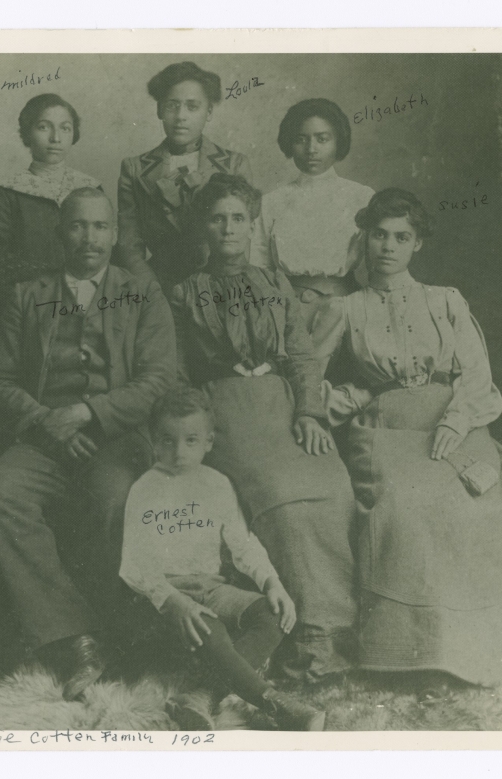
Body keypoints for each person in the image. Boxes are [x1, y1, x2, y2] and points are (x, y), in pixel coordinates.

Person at [312, 188, 502, 697]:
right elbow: (306, 377)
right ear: (364, 238)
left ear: (417, 244)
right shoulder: (346, 309)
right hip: (387, 431)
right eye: (379, 235)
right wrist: (354, 396)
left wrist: (456, 422)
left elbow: (476, 373)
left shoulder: (445, 301)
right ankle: (421, 652)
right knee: (407, 509)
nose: (388, 247)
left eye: (401, 237)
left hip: (454, 424)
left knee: (480, 501)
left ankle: (477, 643)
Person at [0, 188, 176, 701]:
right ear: (59, 232)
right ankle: (72, 638)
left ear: (114, 233)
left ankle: (120, 636)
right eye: (77, 226)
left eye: (100, 227)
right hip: (43, 437)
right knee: (0, 494)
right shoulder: (27, 293)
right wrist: (47, 420)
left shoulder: (142, 292)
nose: (89, 238)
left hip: (113, 437)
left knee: (116, 501)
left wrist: (88, 413)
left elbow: (158, 380)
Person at [171, 173, 359, 685]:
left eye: (237, 218)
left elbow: (300, 355)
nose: (228, 229)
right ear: (203, 229)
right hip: (225, 410)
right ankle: (308, 635)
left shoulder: (275, 284)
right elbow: (179, 373)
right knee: (279, 498)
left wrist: (309, 412)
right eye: (217, 219)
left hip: (283, 404)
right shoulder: (185, 292)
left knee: (333, 487)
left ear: (252, 224)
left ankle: (338, 630)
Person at [121, 387, 326, 731]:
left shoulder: (216, 484)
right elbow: (134, 565)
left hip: (213, 589)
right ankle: (278, 706)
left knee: (273, 613)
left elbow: (243, 545)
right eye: (167, 441)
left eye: (190, 440)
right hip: (163, 598)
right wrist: (172, 600)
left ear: (209, 442)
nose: (178, 452)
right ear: (153, 441)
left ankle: (202, 696)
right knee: (207, 623)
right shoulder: (145, 489)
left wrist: (271, 582)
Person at [116, 61, 252, 290]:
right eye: (172, 106)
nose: (181, 116)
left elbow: (245, 239)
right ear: (159, 109)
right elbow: (129, 246)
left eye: (192, 106)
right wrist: (152, 290)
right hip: (160, 284)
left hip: (221, 285)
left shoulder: (234, 165)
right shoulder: (135, 169)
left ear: (208, 112)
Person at [251, 98, 374, 335]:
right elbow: (259, 268)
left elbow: (376, 265)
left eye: (322, 139)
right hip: (285, 311)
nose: (311, 149)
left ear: (338, 142)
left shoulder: (361, 197)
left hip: (346, 309)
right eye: (301, 139)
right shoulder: (271, 202)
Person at [0, 93, 102, 336]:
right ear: (27, 134)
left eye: (65, 128)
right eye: (44, 127)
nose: (55, 138)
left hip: (88, 306)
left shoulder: (90, 189)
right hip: (31, 309)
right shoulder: (8, 193)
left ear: (73, 135)